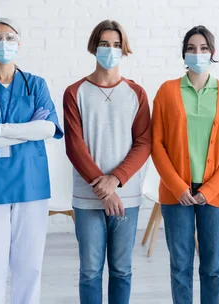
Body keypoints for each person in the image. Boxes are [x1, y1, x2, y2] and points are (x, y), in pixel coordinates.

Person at [0, 18, 63, 304]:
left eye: (9, 37)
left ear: (19, 43)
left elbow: (48, 129)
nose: (3, 43)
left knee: (29, 267)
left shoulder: (36, 85)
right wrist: (26, 131)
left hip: (31, 185)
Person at [151, 26, 219, 304]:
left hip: (214, 194)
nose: (197, 53)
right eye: (191, 48)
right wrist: (177, 187)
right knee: (180, 266)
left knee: (212, 267)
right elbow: (157, 145)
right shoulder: (167, 91)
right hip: (175, 192)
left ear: (212, 53)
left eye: (203, 48)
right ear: (184, 53)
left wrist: (211, 190)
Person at [63, 20, 151, 304]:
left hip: (127, 196)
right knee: (89, 271)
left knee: (122, 270)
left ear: (124, 50)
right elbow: (75, 147)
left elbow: (144, 142)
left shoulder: (136, 94)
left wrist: (116, 181)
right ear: (94, 47)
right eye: (104, 44)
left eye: (116, 45)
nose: (110, 50)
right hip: (88, 197)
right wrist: (105, 189)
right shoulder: (75, 92)